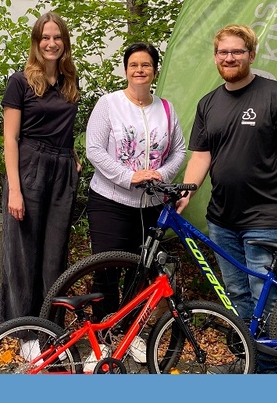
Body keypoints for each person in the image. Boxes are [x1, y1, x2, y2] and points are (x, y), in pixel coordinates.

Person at [176, 24, 277, 370]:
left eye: (237, 51)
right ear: (215, 57)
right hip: (222, 219)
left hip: (267, 217)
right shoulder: (208, 104)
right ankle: (251, 361)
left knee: (264, 297)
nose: (229, 58)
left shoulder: (275, 95)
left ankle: (269, 371)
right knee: (236, 296)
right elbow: (201, 156)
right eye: (223, 52)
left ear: (251, 54)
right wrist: (187, 191)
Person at [83, 42, 186, 368]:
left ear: (155, 70)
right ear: (126, 70)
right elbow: (94, 150)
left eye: (146, 64)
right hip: (110, 201)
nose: (140, 70)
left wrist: (160, 173)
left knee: (140, 274)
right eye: (134, 65)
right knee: (106, 271)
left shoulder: (167, 109)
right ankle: (102, 342)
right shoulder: (109, 104)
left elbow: (180, 151)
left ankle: (132, 334)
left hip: (151, 205)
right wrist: (130, 176)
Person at [0, 11, 82, 342]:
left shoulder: (70, 81)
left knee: (53, 257)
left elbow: (65, 127)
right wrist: (15, 190)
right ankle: (23, 335)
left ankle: (50, 332)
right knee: (23, 256)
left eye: (57, 37)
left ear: (65, 43)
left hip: (61, 172)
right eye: (45, 37)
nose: (51, 43)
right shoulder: (20, 81)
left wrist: (72, 156)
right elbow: (10, 139)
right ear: (36, 42)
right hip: (29, 169)